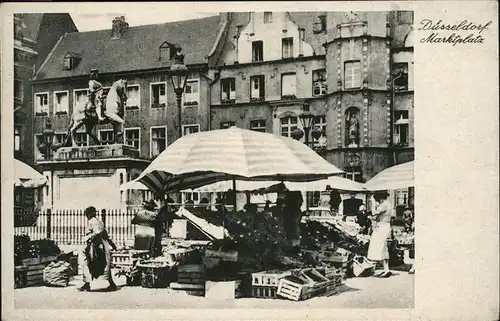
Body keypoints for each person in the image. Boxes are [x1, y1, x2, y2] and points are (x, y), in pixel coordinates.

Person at [78, 206, 117, 291]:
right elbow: (105, 235)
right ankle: (87, 284)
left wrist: (88, 238)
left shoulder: (93, 222)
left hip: (95, 245)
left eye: (87, 213)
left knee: (88, 263)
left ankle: (87, 284)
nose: (86, 215)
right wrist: (113, 245)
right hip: (101, 245)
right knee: (102, 265)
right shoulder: (99, 222)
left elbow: (97, 232)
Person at [367, 191, 393, 278]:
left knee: (376, 246)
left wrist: (373, 203)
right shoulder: (387, 203)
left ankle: (372, 268)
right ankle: (386, 269)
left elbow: (374, 213)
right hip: (384, 225)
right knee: (383, 248)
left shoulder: (384, 205)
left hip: (382, 226)